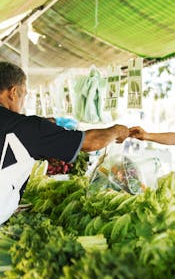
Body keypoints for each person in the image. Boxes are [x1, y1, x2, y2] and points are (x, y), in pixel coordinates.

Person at [0, 61, 129, 224]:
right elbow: (88, 143)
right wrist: (116, 130)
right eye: (24, 94)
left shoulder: (28, 129)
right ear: (13, 92)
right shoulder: (26, 127)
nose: (23, 102)